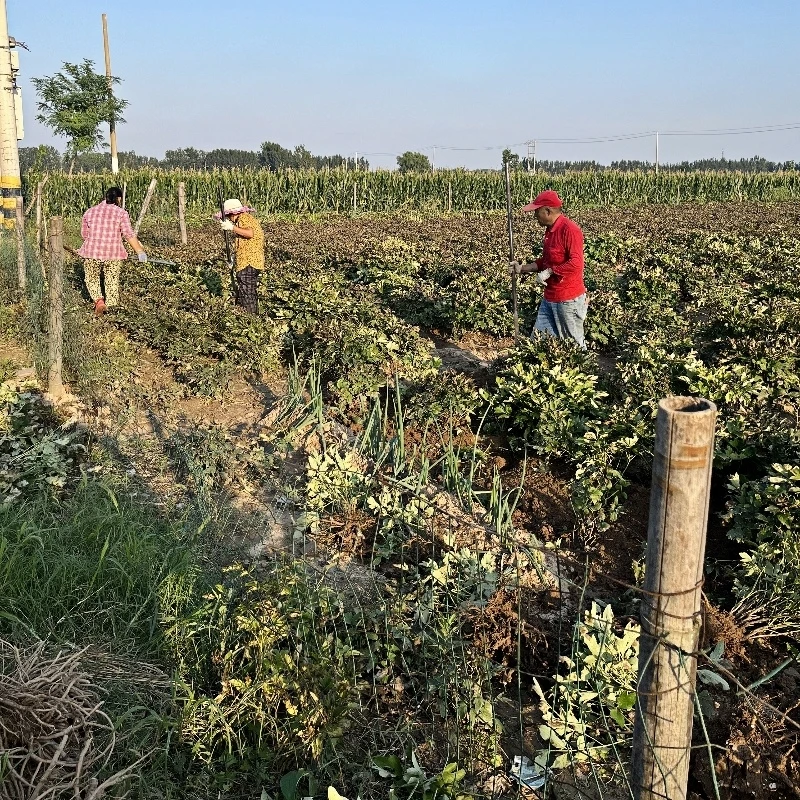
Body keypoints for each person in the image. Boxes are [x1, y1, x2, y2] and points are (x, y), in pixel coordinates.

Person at [509, 190, 588, 349]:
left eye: (537, 211)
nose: (535, 216)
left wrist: (550, 272)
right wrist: (521, 268)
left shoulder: (569, 230)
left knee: (573, 345)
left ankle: (582, 372)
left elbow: (576, 263)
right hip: (550, 297)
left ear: (548, 211)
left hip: (568, 299)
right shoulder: (550, 231)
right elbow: (545, 261)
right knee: (539, 342)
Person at [77, 187, 147, 315]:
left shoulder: (89, 212)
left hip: (92, 252)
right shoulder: (121, 213)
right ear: (119, 198)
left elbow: (84, 235)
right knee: (111, 280)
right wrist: (140, 252)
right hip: (113, 254)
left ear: (105, 197)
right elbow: (128, 234)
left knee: (92, 278)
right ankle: (112, 312)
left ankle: (99, 302)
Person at [218, 199, 265, 314]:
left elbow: (250, 234)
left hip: (248, 263)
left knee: (247, 295)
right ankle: (249, 319)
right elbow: (244, 244)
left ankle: (252, 322)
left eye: (228, 216)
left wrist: (232, 228)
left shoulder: (244, 218)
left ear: (232, 213)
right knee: (247, 293)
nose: (229, 219)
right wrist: (233, 260)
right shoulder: (244, 220)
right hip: (249, 262)